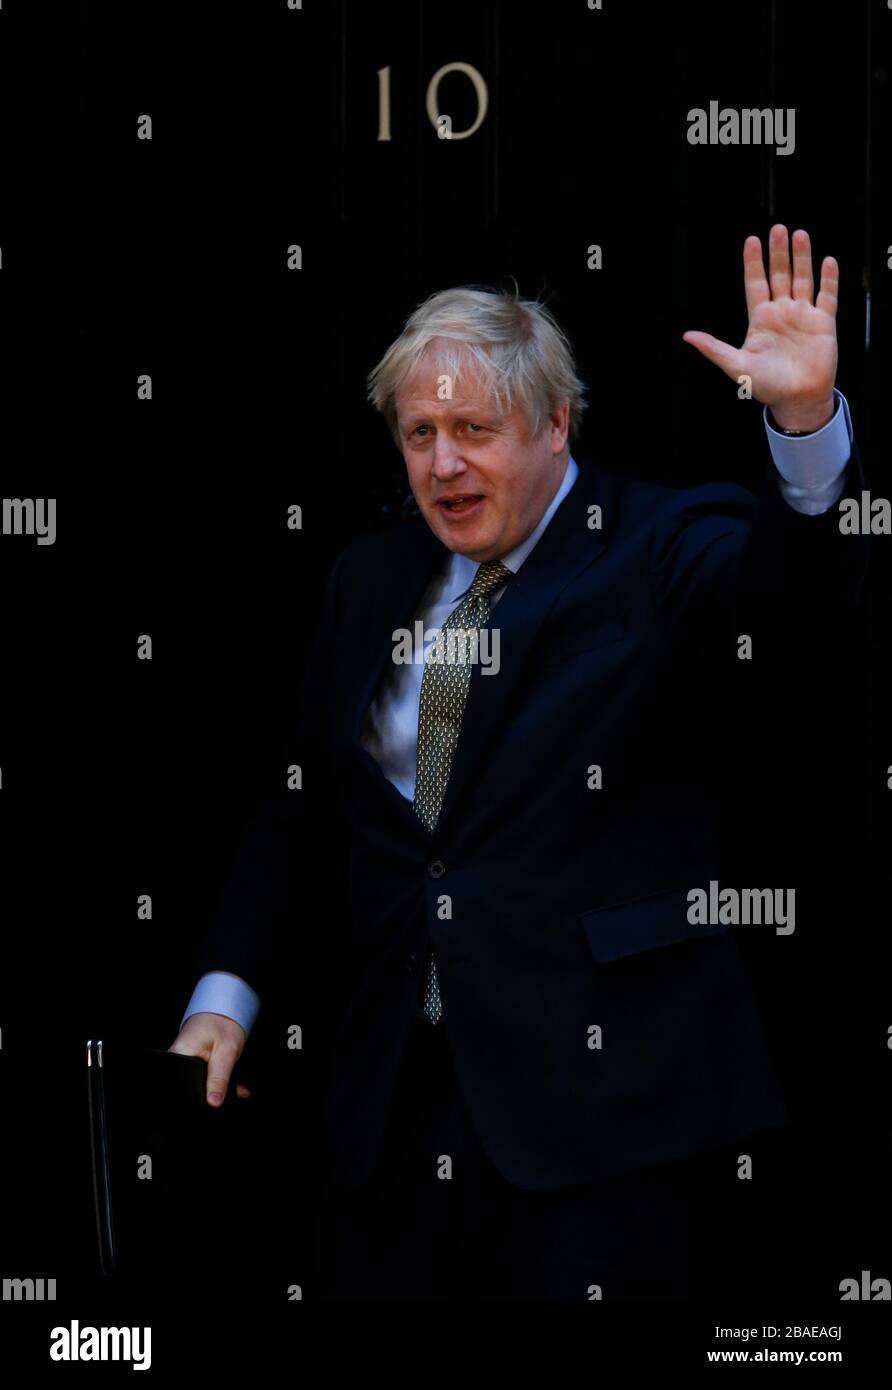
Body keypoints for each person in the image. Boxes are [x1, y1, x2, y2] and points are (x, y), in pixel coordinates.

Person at [169, 226, 869, 1299]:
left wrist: (802, 425)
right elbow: (302, 811)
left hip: (605, 1129)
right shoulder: (370, 577)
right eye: (419, 432)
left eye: (473, 429)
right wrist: (226, 996)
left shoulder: (657, 543)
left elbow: (786, 604)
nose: (442, 464)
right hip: (396, 1127)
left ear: (554, 423)